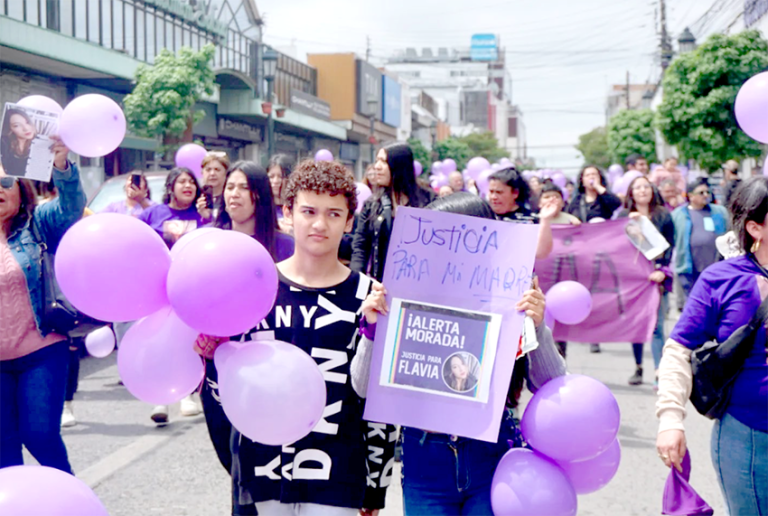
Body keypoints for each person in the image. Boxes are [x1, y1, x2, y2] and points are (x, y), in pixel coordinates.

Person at [353, 192, 567, 515]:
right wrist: (371, 330)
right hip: (425, 457)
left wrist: (536, 326)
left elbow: (551, 383)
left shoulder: (510, 293)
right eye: (435, 240)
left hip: (492, 451)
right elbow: (362, 386)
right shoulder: (405, 294)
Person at [225, 159, 388, 515]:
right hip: (262, 468)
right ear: (288, 212)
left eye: (333, 214)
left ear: (349, 221)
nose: (319, 224)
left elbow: (378, 401)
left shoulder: (370, 296)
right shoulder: (257, 288)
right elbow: (231, 385)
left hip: (338, 472)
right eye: (309, 211)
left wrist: (376, 486)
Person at [656, 177, 768, 515]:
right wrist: (670, 420)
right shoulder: (721, 279)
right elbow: (679, 349)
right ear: (755, 228)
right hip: (750, 437)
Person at [196, 161, 294, 479]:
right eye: (230, 187)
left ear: (260, 195)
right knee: (232, 461)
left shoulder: (285, 247)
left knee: (261, 465)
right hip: (217, 366)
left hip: (270, 367)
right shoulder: (208, 243)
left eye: (243, 187)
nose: (234, 194)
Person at [0, 138, 85, 473]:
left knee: (40, 436)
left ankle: (71, 504)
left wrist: (62, 165)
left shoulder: (37, 224)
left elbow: (71, 206)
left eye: (5, 182)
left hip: (42, 352)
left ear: (21, 188)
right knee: (4, 452)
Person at [139, 167, 205, 424]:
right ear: (171, 186)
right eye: (181, 181)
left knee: (188, 340)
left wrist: (206, 216)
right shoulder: (153, 213)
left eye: (191, 181)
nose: (188, 185)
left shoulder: (201, 215)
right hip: (158, 290)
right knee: (159, 341)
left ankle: (187, 393)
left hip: (192, 289)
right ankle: (161, 398)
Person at [617, 176, 674, 387]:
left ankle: (660, 371)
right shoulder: (623, 217)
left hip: (657, 277)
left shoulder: (663, 216)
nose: (642, 190)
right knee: (637, 324)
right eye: (637, 187)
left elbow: (670, 248)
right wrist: (627, 226)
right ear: (631, 192)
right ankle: (639, 367)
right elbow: (617, 249)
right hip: (633, 280)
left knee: (658, 325)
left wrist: (662, 271)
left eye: (646, 187)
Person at [351, 142, 436, 281]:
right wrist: (357, 282)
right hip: (381, 286)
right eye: (377, 160)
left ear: (399, 165)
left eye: (383, 161)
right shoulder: (372, 204)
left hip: (419, 284)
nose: (377, 167)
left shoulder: (429, 200)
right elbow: (360, 246)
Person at [671, 179, 729, 303]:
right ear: (690, 195)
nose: (706, 195)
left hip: (716, 268)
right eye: (701, 192)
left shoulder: (719, 212)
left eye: (707, 192)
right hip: (690, 270)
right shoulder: (678, 215)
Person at [487, 167, 555, 259]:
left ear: (515, 193)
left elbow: (540, 253)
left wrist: (545, 220)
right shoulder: (483, 215)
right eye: (491, 192)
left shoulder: (530, 220)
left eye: (499, 192)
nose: (493, 197)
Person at [1, 109, 38, 176]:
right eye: (17, 125)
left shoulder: (40, 143)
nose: (26, 128)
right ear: (10, 129)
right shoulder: (4, 142)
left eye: (27, 122)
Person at [196, 151, 230, 222]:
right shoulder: (195, 196)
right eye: (208, 170)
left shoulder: (230, 198)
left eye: (217, 170)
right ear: (202, 173)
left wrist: (209, 217)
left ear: (226, 173)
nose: (212, 173)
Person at [267, 154, 293, 233]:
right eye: (271, 177)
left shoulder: (294, 206)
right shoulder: (263, 206)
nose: (275, 181)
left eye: (280, 177)